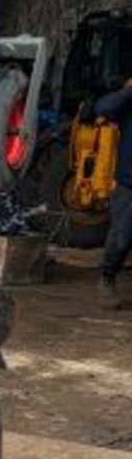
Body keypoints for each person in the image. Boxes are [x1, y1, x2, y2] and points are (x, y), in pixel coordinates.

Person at [94, 76, 132, 308]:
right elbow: (102, 108)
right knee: (122, 238)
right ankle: (107, 277)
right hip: (130, 184)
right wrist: (128, 92)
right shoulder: (127, 101)